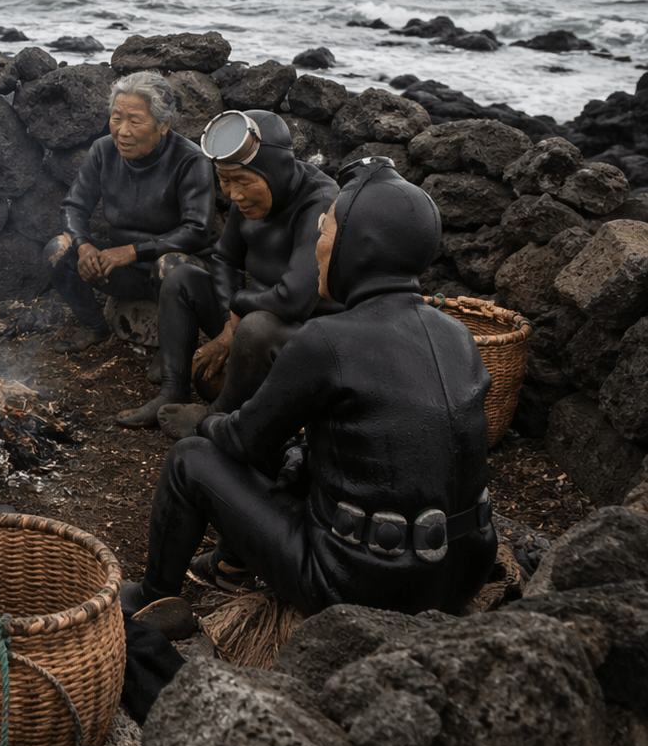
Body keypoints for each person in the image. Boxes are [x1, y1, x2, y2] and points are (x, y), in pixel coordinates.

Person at [120, 157, 498, 623]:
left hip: (360, 583)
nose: (318, 247)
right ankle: (231, 562)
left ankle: (152, 598)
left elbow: (242, 440)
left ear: (360, 247)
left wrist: (201, 420)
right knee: (297, 458)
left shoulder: (327, 340)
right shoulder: (456, 334)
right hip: (465, 570)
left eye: (327, 233)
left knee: (190, 459)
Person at [121, 108, 339, 433]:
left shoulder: (320, 202)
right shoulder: (246, 195)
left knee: (259, 325)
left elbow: (295, 300)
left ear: (274, 171)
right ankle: (172, 390)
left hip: (302, 336)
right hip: (249, 320)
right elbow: (224, 259)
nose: (234, 195)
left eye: (243, 182)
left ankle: (218, 416)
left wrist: (236, 312)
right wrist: (228, 324)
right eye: (224, 181)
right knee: (182, 277)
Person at [43, 70, 215, 382]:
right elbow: (73, 207)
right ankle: (94, 326)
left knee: (171, 266)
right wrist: (84, 246)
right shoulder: (103, 151)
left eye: (134, 121)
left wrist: (133, 251)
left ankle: (173, 348)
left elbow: (197, 230)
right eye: (116, 118)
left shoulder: (192, 161)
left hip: (176, 274)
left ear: (164, 125)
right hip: (122, 271)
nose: (122, 131)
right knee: (58, 249)